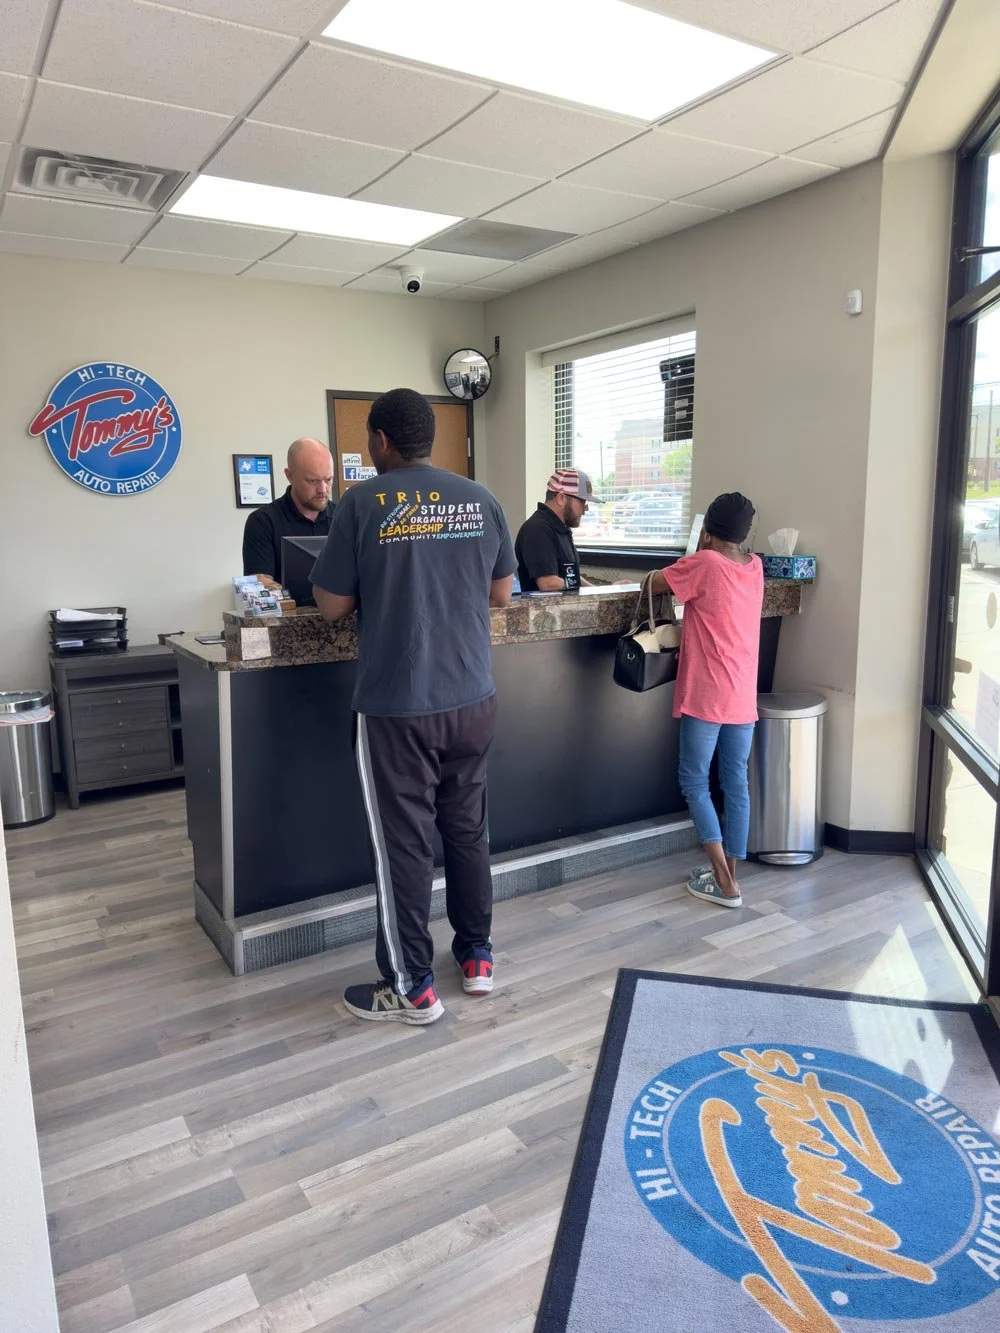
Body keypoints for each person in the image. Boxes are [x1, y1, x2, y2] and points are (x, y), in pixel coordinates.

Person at [311, 388, 516, 1026]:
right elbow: (503, 594)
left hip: (397, 708)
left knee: (402, 845)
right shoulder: (481, 499)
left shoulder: (361, 503)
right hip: (473, 697)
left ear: (380, 442)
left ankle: (411, 987)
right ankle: (477, 958)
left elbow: (331, 606)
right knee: (467, 830)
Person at [650, 492, 763, 909]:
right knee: (735, 782)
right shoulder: (755, 567)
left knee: (694, 781)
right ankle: (731, 873)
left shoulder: (705, 562)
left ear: (709, 530)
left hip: (707, 692)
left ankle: (722, 881)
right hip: (741, 694)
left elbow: (655, 583)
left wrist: (699, 550)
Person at [242, 437, 335, 584]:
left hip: (340, 607)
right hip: (290, 606)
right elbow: (260, 584)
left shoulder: (343, 517)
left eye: (328, 479)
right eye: (313, 481)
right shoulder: (263, 522)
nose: (322, 489)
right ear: (289, 476)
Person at [514, 468, 602, 592]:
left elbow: (571, 577)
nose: (585, 509)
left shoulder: (561, 529)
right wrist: (585, 590)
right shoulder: (538, 529)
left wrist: (600, 590)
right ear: (561, 498)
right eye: (583, 502)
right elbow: (548, 583)